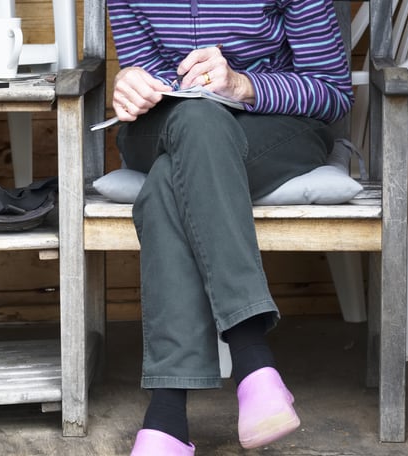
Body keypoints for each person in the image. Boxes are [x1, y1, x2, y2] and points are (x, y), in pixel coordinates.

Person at [106, 0, 354, 454]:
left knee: (169, 180)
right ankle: (253, 361)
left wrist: (242, 84)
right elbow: (151, 77)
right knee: (198, 122)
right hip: (170, 125)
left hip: (276, 126)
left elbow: (332, 91)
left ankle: (167, 418)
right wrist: (130, 83)